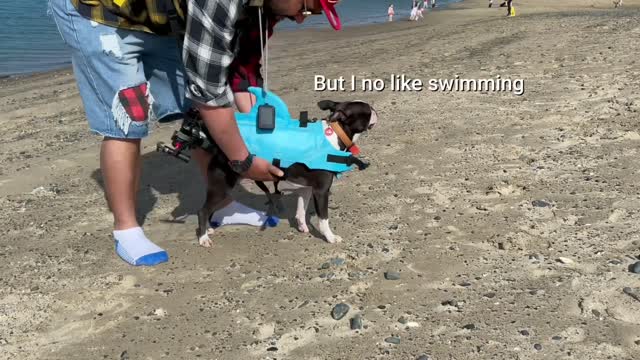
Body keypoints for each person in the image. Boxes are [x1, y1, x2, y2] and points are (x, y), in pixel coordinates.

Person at [49, 0, 342, 266]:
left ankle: (223, 204)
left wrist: (261, 127)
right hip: (100, 14)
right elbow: (210, 93)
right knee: (127, 119)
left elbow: (240, 68)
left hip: (160, 21)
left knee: (195, 114)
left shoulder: (263, 7)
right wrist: (243, 162)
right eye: (307, 8)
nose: (303, 20)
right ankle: (126, 228)